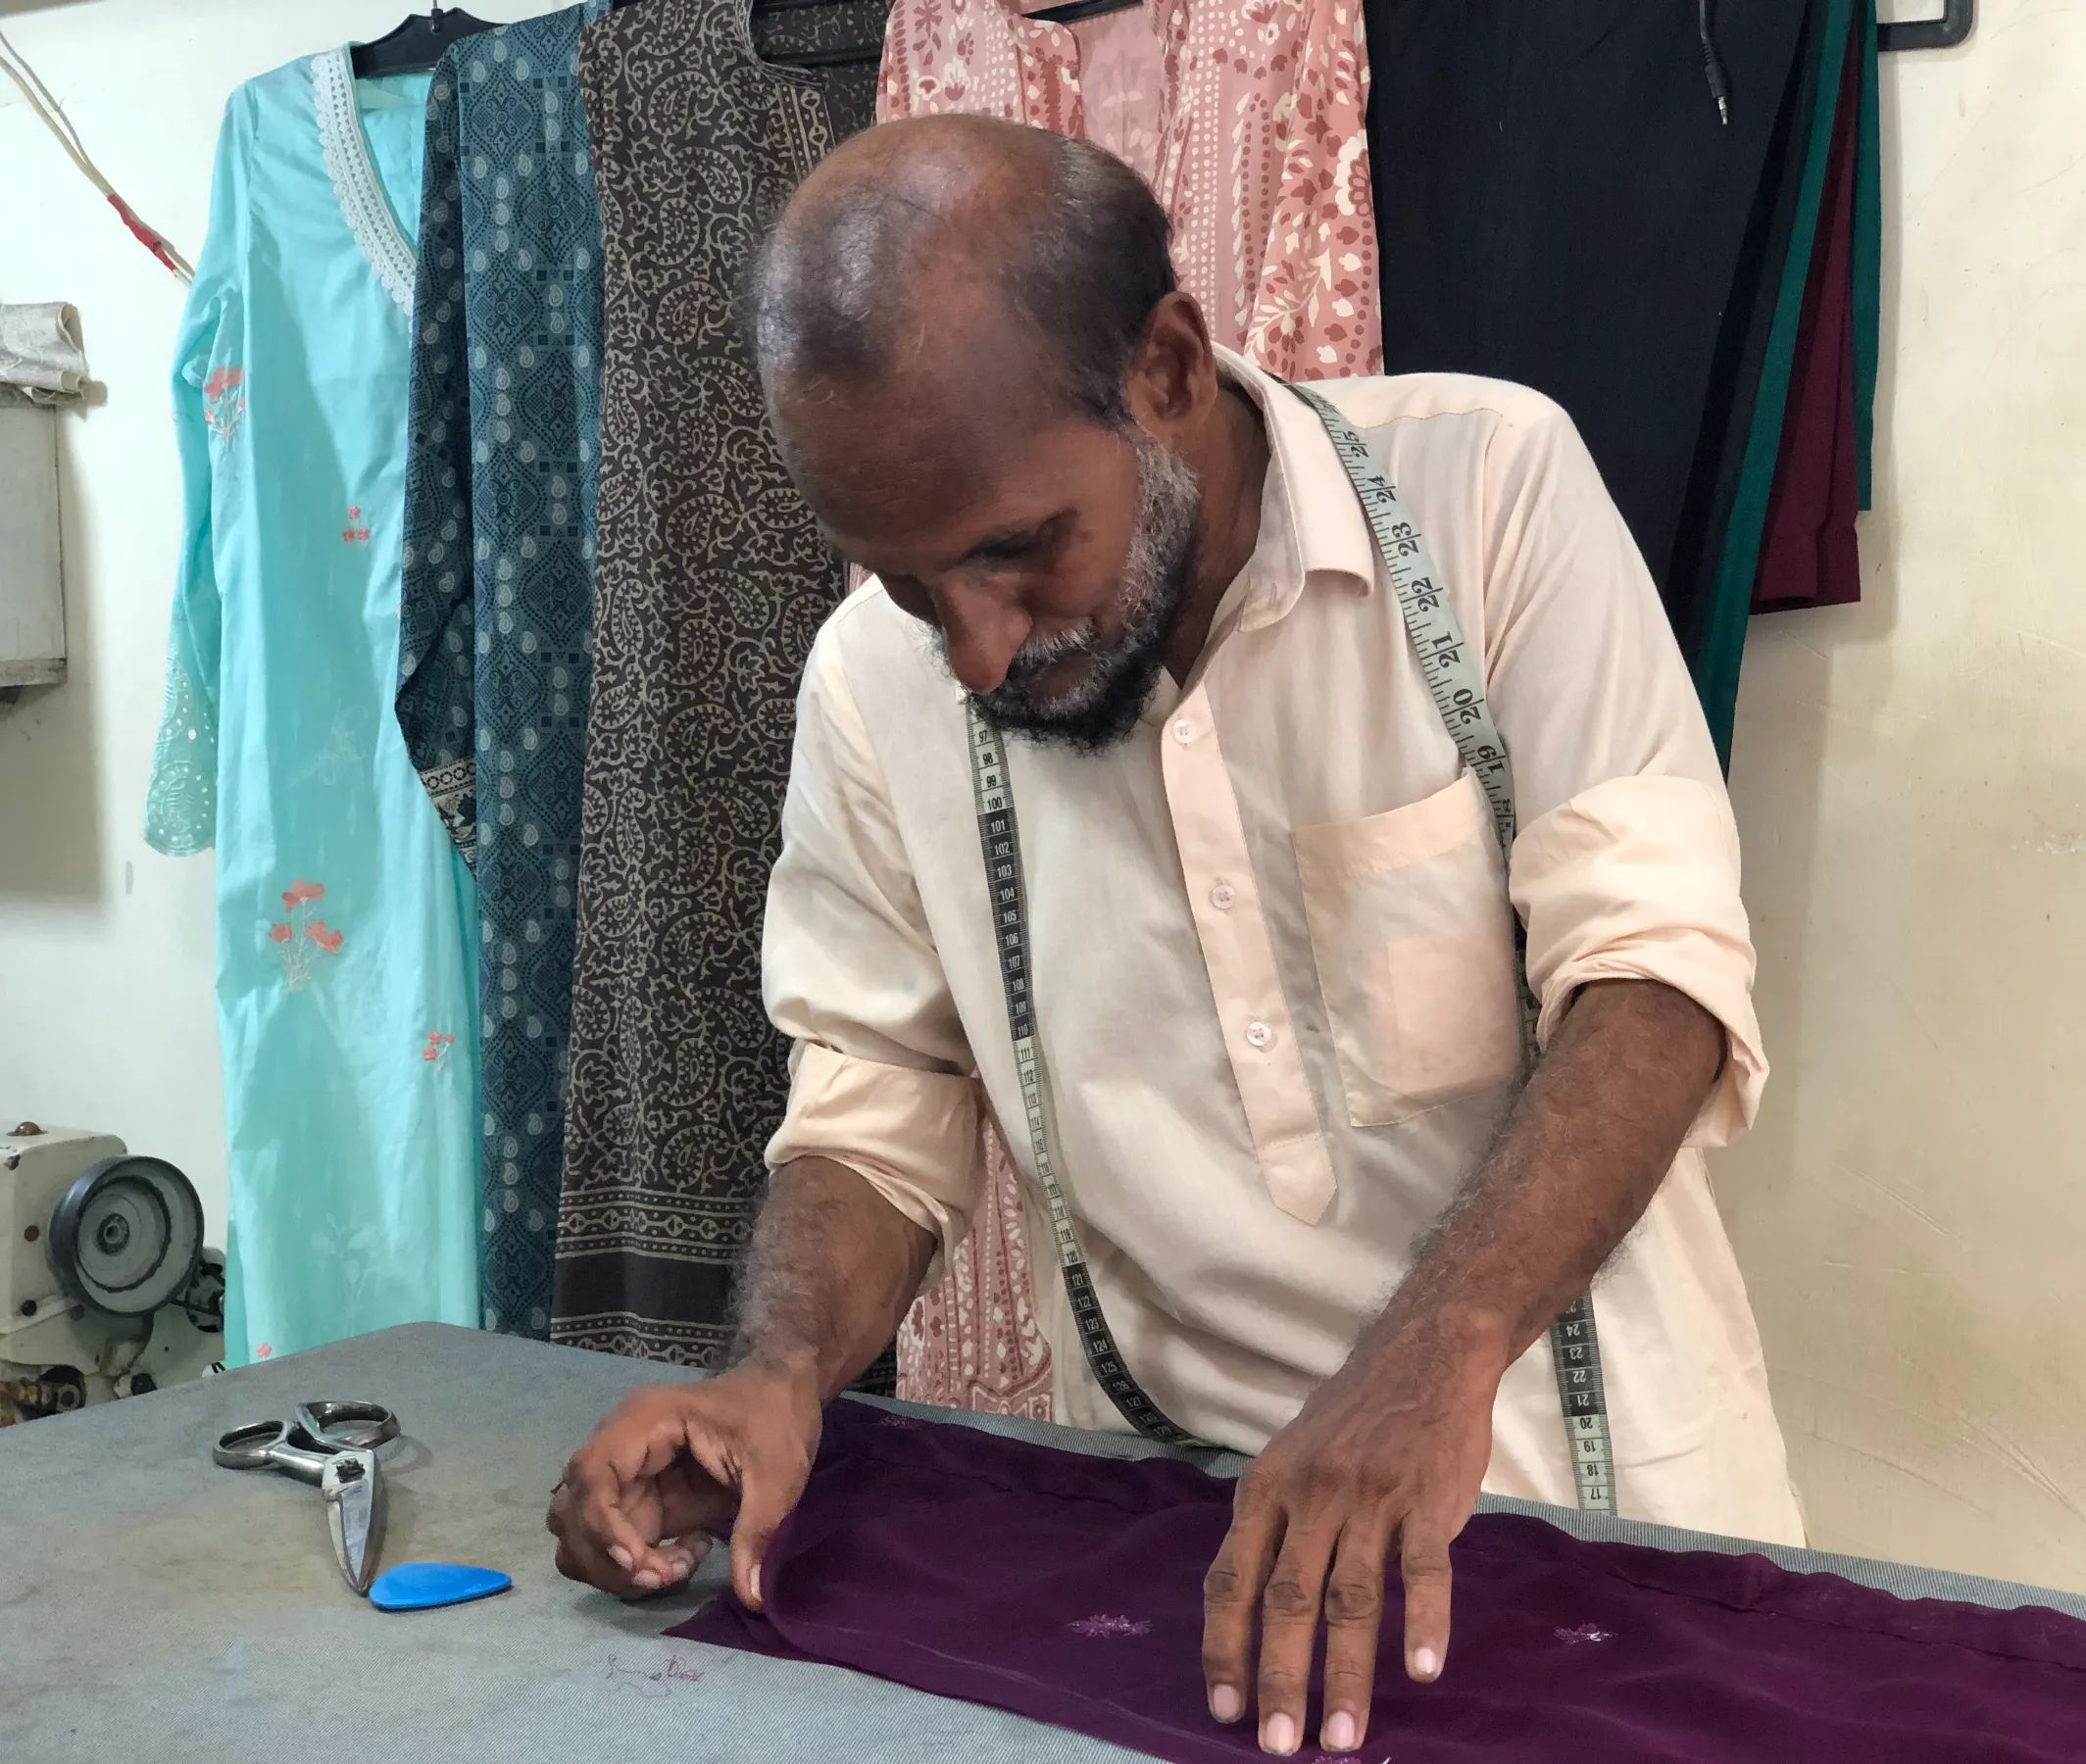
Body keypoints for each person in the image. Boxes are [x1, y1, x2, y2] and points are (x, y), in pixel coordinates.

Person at [547, 113, 1802, 1757]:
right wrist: (778, 1374)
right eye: (916, 588)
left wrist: (1430, 1362)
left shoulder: (1488, 486)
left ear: (1167, 368)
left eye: (1016, 554)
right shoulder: (873, 685)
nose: (978, 659)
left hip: (1621, 1519)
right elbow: (876, 1092)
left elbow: (1653, 980)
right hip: (1179, 1561)